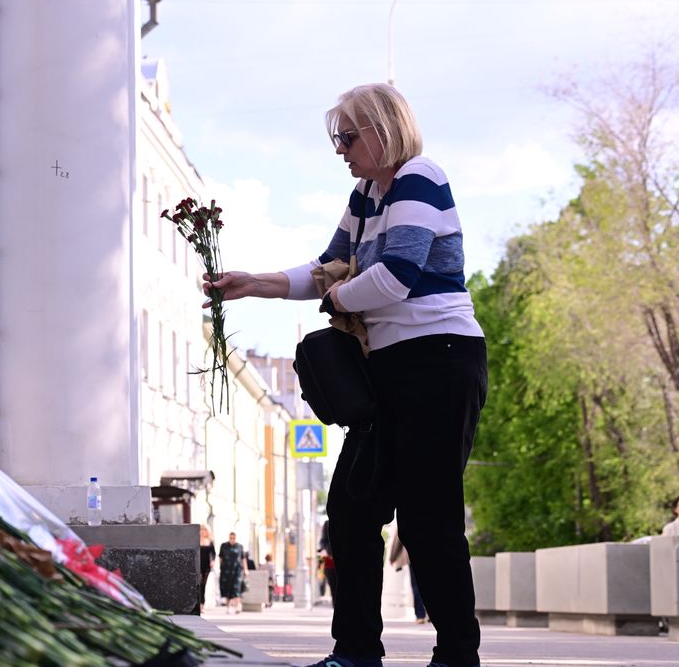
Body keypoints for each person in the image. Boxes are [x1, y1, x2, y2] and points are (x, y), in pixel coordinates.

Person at [205, 83, 487, 667]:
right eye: (338, 137)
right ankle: (356, 653)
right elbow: (327, 268)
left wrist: (336, 301)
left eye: (347, 136)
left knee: (426, 517)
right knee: (353, 512)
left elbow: (395, 278)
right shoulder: (366, 194)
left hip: (440, 360)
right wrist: (255, 282)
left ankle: (458, 656)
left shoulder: (418, 178)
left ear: (384, 130)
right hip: (387, 368)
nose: (340, 150)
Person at [388, 525, 428, 624]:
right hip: (429, 554)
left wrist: (393, 556)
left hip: (413, 556)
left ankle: (420, 616)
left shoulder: (407, 512)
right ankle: (429, 614)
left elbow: (399, 538)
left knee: (416, 586)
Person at [218, 532, 247, 615]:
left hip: (237, 570)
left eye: (233, 538)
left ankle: (237, 606)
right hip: (226, 570)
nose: (232, 539)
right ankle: (228, 607)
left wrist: (246, 569)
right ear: (229, 537)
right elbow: (220, 557)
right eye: (231, 538)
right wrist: (220, 568)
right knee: (228, 588)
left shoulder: (239, 546)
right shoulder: (223, 545)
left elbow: (243, 558)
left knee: (237, 587)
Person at [199, 525, 216, 609]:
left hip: (206, 565)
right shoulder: (196, 540)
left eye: (204, 530)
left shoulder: (210, 541)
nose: (202, 531)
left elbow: (213, 554)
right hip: (197, 564)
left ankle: (202, 603)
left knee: (203, 584)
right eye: (201, 530)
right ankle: (197, 603)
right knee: (197, 583)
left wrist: (212, 561)